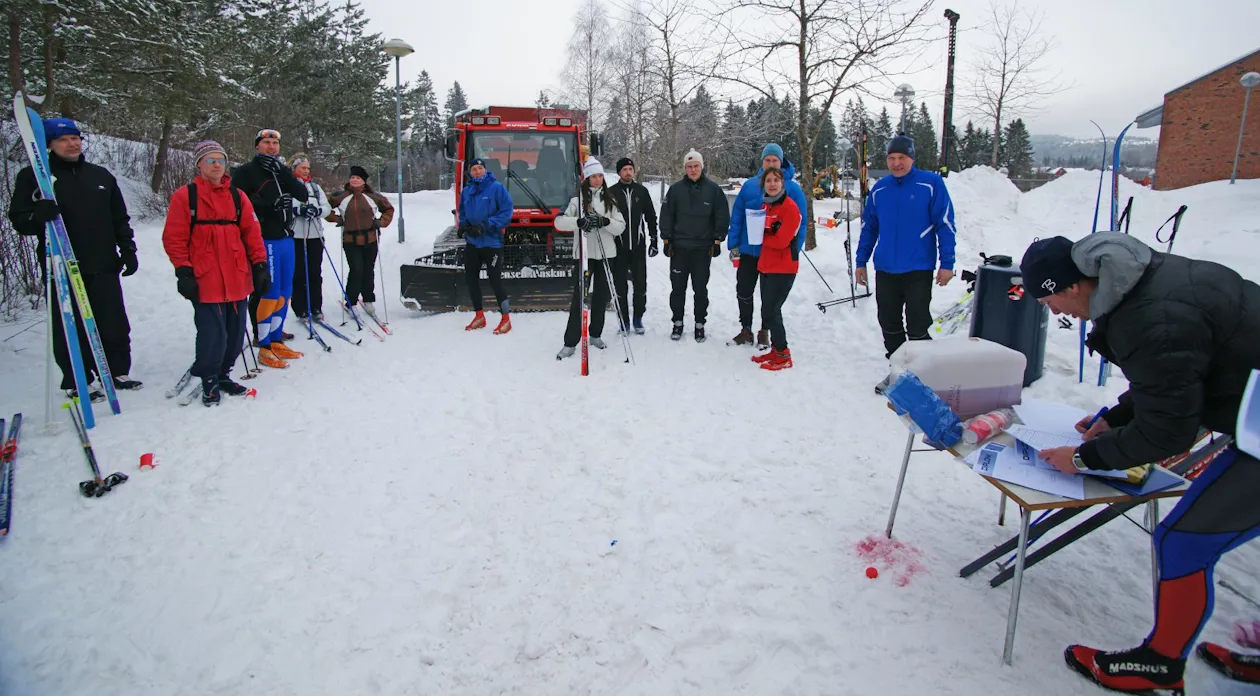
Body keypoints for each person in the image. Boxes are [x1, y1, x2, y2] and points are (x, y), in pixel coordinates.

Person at [1018, 233, 1260, 695]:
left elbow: (1168, 431)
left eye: (1050, 299)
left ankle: (1160, 665)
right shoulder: (1142, 282)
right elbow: (1179, 371)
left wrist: (1083, 457)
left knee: (1185, 538)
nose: (1054, 312)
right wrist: (1117, 416)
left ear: (1073, 286)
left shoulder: (1151, 317)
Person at [8, 117, 142, 399]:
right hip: (62, 265)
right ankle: (78, 379)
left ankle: (116, 370)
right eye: (63, 140)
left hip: (104, 262)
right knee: (70, 324)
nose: (72, 144)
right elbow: (20, 221)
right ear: (50, 145)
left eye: (75, 138)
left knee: (113, 320)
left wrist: (127, 249)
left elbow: (119, 217)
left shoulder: (101, 176)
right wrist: (37, 215)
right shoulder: (34, 177)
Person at [161, 141, 269, 406]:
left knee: (234, 333)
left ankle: (223, 373)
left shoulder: (237, 196)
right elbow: (174, 237)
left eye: (220, 160)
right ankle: (208, 375)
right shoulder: (186, 196)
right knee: (212, 333)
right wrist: (183, 272)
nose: (217, 165)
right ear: (199, 164)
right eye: (210, 160)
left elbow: (252, 233)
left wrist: (259, 265)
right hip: (205, 274)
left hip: (236, 273)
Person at [855, 134, 956, 361]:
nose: (896, 163)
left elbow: (945, 224)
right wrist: (861, 261)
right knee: (889, 323)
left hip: (918, 267)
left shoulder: (931, 184)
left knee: (918, 324)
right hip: (886, 268)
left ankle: (921, 373)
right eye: (892, 158)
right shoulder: (880, 189)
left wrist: (947, 263)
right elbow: (869, 227)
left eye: (902, 157)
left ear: (912, 158)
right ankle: (898, 370)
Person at [230, 128, 308, 368]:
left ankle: (276, 339)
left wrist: (284, 172)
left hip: (286, 237)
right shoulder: (245, 171)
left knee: (285, 292)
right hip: (265, 238)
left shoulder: (280, 171)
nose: (271, 147)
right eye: (266, 142)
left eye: (275, 142)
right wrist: (268, 205)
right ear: (257, 146)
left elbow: (302, 194)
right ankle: (263, 344)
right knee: (270, 292)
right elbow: (236, 199)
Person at [726, 143, 808, 348]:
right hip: (747, 250)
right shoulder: (750, 185)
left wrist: (793, 250)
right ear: (762, 162)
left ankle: (765, 331)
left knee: (768, 296)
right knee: (743, 290)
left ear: (781, 162)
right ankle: (746, 329)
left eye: (775, 160)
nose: (771, 163)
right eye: (767, 160)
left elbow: (802, 222)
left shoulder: (793, 189)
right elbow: (737, 217)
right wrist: (733, 244)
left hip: (773, 253)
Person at [554, 157, 626, 359]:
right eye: (593, 176)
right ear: (586, 178)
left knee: (601, 296)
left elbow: (621, 226)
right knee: (580, 298)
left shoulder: (610, 200)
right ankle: (570, 342)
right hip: (584, 256)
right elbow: (559, 222)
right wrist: (579, 222)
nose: (597, 180)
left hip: (606, 255)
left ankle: (595, 334)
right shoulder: (577, 200)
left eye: (600, 176)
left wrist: (604, 221)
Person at [659, 149, 730, 342]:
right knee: (678, 289)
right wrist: (666, 240)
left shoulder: (713, 190)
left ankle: (700, 324)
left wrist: (717, 240)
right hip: (679, 249)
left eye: (695, 166)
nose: (692, 170)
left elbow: (722, 216)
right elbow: (666, 215)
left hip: (702, 249)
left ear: (702, 166)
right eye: (689, 167)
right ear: (685, 168)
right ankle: (677, 322)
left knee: (700, 289)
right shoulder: (675, 190)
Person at [748, 168, 802, 371]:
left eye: (776, 180)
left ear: (782, 183)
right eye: (768, 180)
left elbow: (781, 241)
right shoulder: (766, 206)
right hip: (767, 266)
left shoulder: (790, 208)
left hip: (784, 268)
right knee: (766, 310)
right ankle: (776, 349)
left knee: (772, 311)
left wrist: (761, 235)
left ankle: (784, 354)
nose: (772, 184)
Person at [326, 165, 393, 320]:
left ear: (364, 181)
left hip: (370, 238)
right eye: (352, 178)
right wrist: (337, 219)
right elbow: (324, 208)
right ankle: (351, 302)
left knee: (368, 270)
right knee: (356, 270)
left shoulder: (374, 196)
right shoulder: (341, 196)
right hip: (350, 239)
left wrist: (381, 222)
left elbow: (388, 210)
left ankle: (368, 299)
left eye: (357, 178)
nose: (354, 180)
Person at [457, 158, 513, 334]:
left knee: (495, 279)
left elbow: (506, 212)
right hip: (473, 243)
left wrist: (486, 225)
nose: (478, 171)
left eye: (480, 168)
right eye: (474, 169)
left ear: (485, 170)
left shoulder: (496, 188)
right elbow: (463, 212)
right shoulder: (467, 191)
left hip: (492, 242)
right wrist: (464, 226)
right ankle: (479, 316)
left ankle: (506, 319)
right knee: (471, 279)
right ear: (470, 172)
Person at [607, 157, 658, 335]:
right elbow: (607, 219)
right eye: (625, 169)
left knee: (640, 284)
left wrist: (654, 240)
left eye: (630, 169)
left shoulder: (641, 191)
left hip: (638, 246)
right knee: (620, 285)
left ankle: (637, 318)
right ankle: (624, 321)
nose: (628, 172)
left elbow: (651, 216)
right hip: (618, 247)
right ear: (619, 172)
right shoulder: (611, 193)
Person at [288, 153, 330, 322]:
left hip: (315, 235)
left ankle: (316, 306)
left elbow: (326, 207)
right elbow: (284, 205)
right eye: (303, 168)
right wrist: (299, 210)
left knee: (315, 272)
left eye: (308, 168)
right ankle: (300, 308)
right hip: (296, 236)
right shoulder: (288, 185)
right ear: (294, 168)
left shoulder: (314, 187)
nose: (306, 171)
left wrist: (318, 211)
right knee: (299, 273)